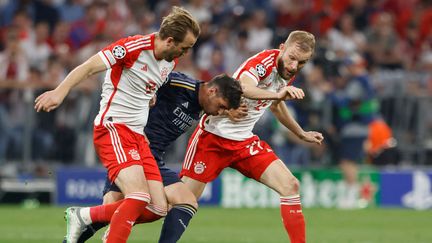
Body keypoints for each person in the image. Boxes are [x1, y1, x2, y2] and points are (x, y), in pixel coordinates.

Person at [34, 6, 200, 243]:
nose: (185, 54)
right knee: (138, 196)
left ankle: (84, 216)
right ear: (170, 40)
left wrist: (148, 95)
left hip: (139, 138)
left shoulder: (168, 63)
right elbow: (89, 66)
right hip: (114, 129)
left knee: (158, 208)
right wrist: (60, 91)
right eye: (184, 48)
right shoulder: (133, 47)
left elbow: (146, 85)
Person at [180, 30, 324, 243]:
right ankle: (122, 212)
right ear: (282, 47)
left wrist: (300, 133)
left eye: (301, 62)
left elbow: (276, 106)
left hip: (243, 142)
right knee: (180, 201)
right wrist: (277, 95)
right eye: (292, 58)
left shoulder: (287, 71)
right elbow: (245, 87)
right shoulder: (264, 61)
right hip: (212, 139)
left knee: (290, 185)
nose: (294, 66)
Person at [74, 71, 243, 243]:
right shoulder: (181, 85)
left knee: (179, 203)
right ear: (212, 91)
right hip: (133, 148)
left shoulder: (205, 105)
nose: (220, 112)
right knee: (117, 209)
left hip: (153, 157)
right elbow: (147, 76)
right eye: (221, 106)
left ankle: (82, 220)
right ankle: (84, 218)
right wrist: (147, 99)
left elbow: (239, 88)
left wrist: (233, 110)